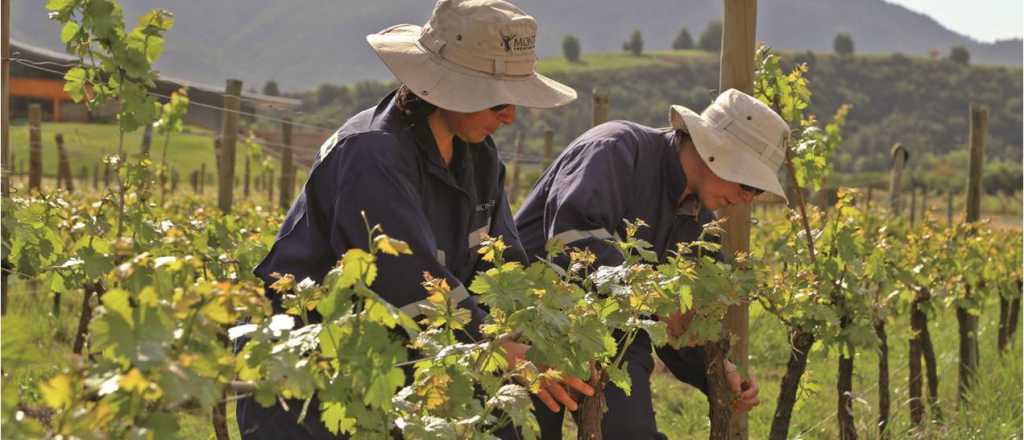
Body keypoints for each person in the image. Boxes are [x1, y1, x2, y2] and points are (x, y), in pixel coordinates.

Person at [236, 1, 592, 438]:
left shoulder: (478, 155)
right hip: (315, 384)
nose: (510, 116)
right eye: (498, 100)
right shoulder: (371, 154)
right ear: (447, 90)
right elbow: (410, 281)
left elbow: (502, 265)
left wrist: (548, 327)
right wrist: (497, 348)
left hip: (412, 363)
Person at [514, 88, 787, 438]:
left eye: (757, 192)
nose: (747, 198)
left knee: (632, 433)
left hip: (617, 336)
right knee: (528, 432)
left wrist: (718, 370)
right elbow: (571, 239)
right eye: (748, 183)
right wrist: (656, 299)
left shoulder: (701, 226)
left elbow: (679, 322)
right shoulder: (614, 149)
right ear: (716, 152)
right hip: (534, 323)